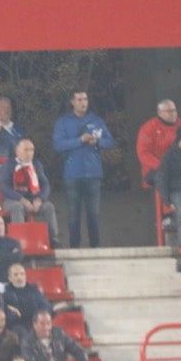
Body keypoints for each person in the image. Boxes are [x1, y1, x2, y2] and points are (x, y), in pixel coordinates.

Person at [51, 91, 114, 249]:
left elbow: (109, 141)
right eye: (79, 99)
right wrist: (79, 140)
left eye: (85, 99)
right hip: (72, 174)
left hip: (93, 173)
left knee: (93, 213)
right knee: (74, 214)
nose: (83, 102)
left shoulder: (96, 120)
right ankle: (74, 247)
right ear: (72, 102)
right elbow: (58, 145)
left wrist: (97, 141)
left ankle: (96, 246)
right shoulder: (63, 122)